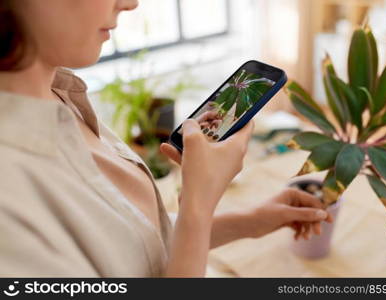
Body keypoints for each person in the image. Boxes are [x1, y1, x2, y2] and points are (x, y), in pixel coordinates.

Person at [0, 0, 332, 277]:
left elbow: (132, 246)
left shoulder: (61, 95)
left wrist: (252, 221)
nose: (130, 3)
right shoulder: (10, 207)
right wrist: (198, 204)